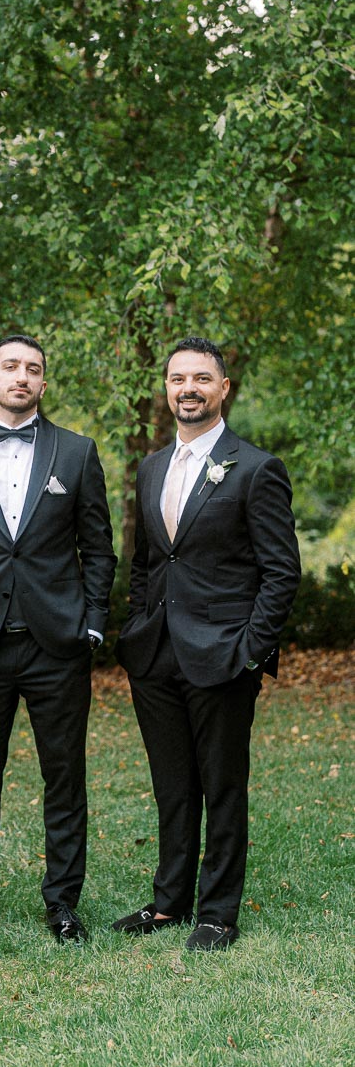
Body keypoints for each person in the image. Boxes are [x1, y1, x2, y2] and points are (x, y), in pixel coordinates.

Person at [0, 334, 116, 948]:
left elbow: (100, 547)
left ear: (42, 382)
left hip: (57, 644)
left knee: (64, 778)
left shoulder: (78, 452)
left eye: (33, 369)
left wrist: (90, 620)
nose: (22, 377)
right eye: (10, 367)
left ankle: (62, 906)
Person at [113, 336, 300, 951]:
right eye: (176, 379)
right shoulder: (152, 468)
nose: (187, 389)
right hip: (156, 654)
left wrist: (249, 649)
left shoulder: (256, 468)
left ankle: (217, 911)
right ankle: (169, 902)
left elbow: (281, 572)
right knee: (171, 784)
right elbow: (146, 561)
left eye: (200, 378)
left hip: (223, 656)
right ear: (166, 390)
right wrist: (140, 624)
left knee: (221, 786)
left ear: (224, 389)